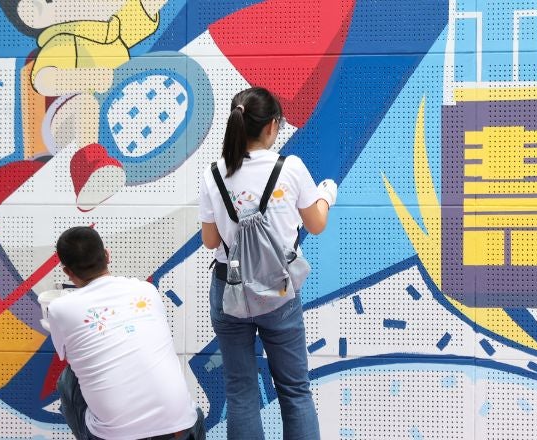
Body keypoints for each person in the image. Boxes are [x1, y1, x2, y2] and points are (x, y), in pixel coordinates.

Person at [198, 87, 337, 440]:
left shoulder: (214, 174)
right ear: (272, 126)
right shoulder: (289, 168)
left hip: (229, 291)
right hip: (278, 289)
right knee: (294, 390)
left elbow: (211, 241)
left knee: (241, 393)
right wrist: (325, 195)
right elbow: (316, 225)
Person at [44, 226, 204, 440]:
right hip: (182, 429)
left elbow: (66, 355)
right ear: (107, 255)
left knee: (69, 378)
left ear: (67, 272)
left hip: (116, 436)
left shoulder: (60, 308)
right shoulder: (146, 290)